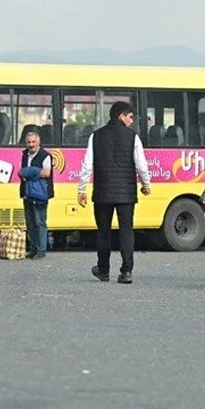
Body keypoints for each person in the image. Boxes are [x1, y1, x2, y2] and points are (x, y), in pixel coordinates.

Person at [76, 101, 151, 284]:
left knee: (103, 232)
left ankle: (103, 270)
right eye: (130, 117)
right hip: (126, 193)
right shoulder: (133, 137)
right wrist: (146, 184)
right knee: (126, 231)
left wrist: (81, 188)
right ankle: (126, 272)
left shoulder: (96, 136)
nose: (132, 121)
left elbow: (87, 165)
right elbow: (141, 164)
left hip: (102, 192)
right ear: (121, 116)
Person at [19, 128, 53, 259]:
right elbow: (22, 173)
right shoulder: (24, 155)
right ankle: (33, 249)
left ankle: (41, 251)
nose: (31, 145)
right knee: (30, 223)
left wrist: (29, 172)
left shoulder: (45, 155)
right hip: (27, 193)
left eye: (33, 142)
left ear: (38, 142)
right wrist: (32, 172)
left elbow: (46, 173)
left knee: (40, 222)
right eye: (28, 142)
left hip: (40, 194)